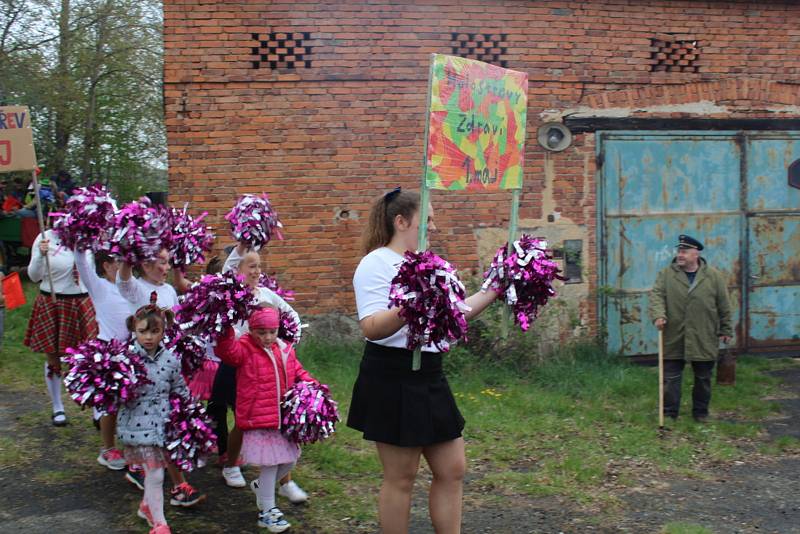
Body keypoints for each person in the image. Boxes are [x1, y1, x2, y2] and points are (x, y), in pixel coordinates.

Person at [347, 188, 500, 534]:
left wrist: (496, 285)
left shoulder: (430, 266)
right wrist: (411, 303)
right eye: (427, 220)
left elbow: (457, 313)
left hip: (430, 373)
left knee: (453, 468)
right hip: (391, 373)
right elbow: (371, 328)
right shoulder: (375, 263)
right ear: (401, 222)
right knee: (401, 477)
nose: (434, 226)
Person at [212, 242, 306, 503]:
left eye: (259, 266)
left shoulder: (266, 294)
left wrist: (286, 346)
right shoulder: (230, 292)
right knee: (243, 422)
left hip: (264, 366)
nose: (257, 271)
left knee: (277, 421)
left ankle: (284, 482)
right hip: (236, 363)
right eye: (251, 265)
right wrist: (243, 243)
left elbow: (292, 316)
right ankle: (231, 464)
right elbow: (227, 270)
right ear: (238, 268)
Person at [117, 248, 206, 506]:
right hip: (142, 364)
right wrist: (129, 251)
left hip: (165, 362)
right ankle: (154, 473)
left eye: (168, 263)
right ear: (145, 265)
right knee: (146, 420)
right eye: (162, 263)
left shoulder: (168, 291)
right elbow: (123, 278)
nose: (166, 268)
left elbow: (175, 323)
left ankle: (174, 482)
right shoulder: (137, 287)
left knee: (168, 423)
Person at [214, 307, 316, 532]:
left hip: (282, 418)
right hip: (258, 418)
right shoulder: (244, 349)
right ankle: (267, 511)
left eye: (272, 331)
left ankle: (262, 487)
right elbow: (227, 351)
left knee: (290, 459)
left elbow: (297, 371)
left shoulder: (285, 349)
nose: (267, 337)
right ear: (251, 330)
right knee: (270, 464)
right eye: (261, 332)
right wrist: (224, 327)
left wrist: (311, 385)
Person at [116, 300, 187, 534]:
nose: (148, 337)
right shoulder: (124, 359)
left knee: (154, 472)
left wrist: (189, 413)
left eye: (154, 331)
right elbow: (115, 393)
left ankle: (147, 506)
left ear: (163, 332)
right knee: (156, 473)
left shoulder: (171, 360)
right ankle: (160, 523)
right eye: (142, 331)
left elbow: (180, 389)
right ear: (134, 330)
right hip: (137, 426)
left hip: (162, 427)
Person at [649, 234, 733, 423]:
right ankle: (670, 414)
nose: (680, 254)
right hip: (674, 334)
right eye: (679, 251)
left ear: (696, 254)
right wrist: (658, 315)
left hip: (703, 334)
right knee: (670, 378)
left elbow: (724, 305)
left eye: (684, 251)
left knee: (703, 378)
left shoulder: (714, 276)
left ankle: (701, 413)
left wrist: (726, 329)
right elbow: (656, 296)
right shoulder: (666, 274)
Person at [24, 229, 98, 426]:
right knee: (54, 356)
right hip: (53, 302)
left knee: (90, 358)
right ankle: (58, 407)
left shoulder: (87, 236)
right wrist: (40, 254)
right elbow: (33, 276)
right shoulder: (44, 237)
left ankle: (95, 407)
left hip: (82, 303)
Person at [74, 249, 130, 471]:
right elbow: (82, 265)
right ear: (106, 266)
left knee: (131, 402)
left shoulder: (130, 287)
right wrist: (81, 243)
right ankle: (107, 448)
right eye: (117, 261)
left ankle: (132, 445)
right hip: (109, 352)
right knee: (111, 404)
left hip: (133, 350)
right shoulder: (99, 287)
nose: (123, 265)